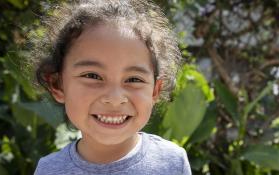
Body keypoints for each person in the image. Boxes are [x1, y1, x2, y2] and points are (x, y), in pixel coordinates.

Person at [32, 0, 191, 174]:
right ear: (58, 85)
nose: (115, 98)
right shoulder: (48, 170)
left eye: (133, 79)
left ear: (155, 90)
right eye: (92, 76)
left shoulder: (172, 163)